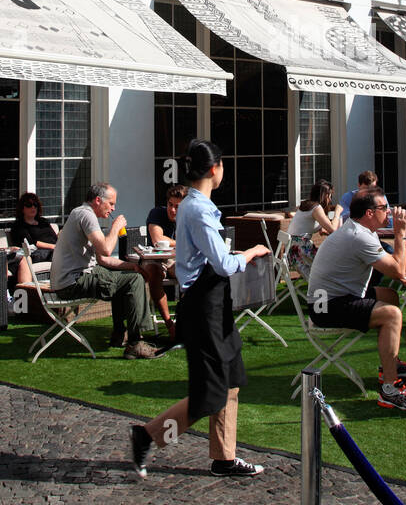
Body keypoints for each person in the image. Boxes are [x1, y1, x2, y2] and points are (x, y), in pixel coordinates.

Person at [129, 140, 272, 478]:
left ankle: (224, 458)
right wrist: (252, 252)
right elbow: (222, 263)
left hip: (213, 304)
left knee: (231, 381)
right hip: (202, 307)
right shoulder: (197, 209)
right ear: (214, 169)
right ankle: (147, 436)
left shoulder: (199, 206)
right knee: (209, 394)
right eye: (223, 165)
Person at [307, 188, 406, 411]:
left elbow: (389, 261)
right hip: (326, 307)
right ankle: (390, 390)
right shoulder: (359, 236)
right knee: (392, 315)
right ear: (369, 213)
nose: (390, 211)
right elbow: (398, 273)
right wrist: (400, 233)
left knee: (389, 295)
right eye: (385, 208)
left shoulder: (360, 230)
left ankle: (391, 365)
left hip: (328, 299)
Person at [51, 183, 160, 360]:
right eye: (111, 204)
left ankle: (119, 334)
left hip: (68, 280)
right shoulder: (86, 215)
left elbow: (103, 260)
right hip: (74, 282)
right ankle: (136, 342)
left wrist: (133, 267)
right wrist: (115, 228)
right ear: (98, 200)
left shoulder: (80, 214)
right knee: (134, 281)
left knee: (127, 277)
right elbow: (106, 250)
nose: (113, 208)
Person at [141, 185, 187, 342]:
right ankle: (169, 325)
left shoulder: (188, 218)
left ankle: (186, 322)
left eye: (177, 207)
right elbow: (158, 240)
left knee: (188, 274)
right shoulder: (157, 213)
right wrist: (182, 242)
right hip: (155, 258)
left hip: (176, 259)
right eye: (170, 205)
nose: (173, 210)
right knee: (155, 273)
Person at [285, 180, 340, 278]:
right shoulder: (316, 208)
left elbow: (306, 224)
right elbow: (333, 229)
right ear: (325, 195)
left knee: (329, 264)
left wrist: (321, 229)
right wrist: (337, 213)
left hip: (292, 252)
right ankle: (326, 290)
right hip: (302, 252)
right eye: (330, 195)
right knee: (332, 263)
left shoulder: (306, 205)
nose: (330, 199)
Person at [8, 192, 56, 269]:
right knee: (60, 254)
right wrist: (54, 247)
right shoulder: (19, 225)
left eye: (35, 205)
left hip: (53, 250)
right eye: (29, 205)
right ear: (22, 208)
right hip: (36, 252)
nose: (33, 207)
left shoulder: (43, 221)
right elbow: (31, 243)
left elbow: (54, 237)